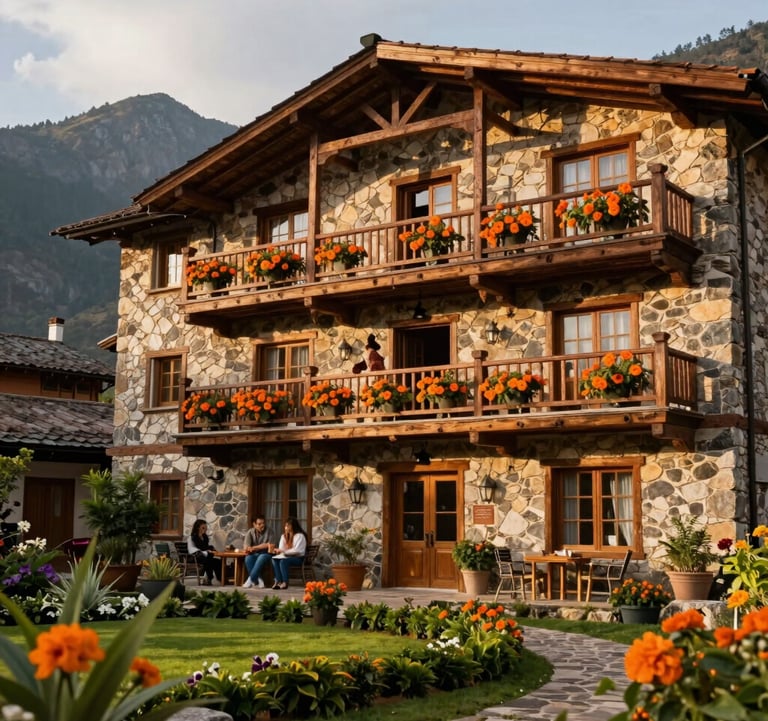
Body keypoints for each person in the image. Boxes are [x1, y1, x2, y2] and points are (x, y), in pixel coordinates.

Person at [269, 517, 307, 589]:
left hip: (298, 558)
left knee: (283, 561)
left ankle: (285, 582)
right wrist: (278, 550)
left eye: (288, 525)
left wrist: (284, 551)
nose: (286, 527)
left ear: (293, 526)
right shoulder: (284, 536)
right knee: (274, 559)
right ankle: (278, 581)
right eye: (285, 525)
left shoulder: (300, 536)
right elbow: (281, 549)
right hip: (287, 556)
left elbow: (297, 550)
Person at [242, 515, 274, 589]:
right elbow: (246, 546)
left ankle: (250, 579)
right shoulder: (250, 532)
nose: (262, 525)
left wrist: (254, 548)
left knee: (261, 557)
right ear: (254, 524)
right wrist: (248, 548)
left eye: (263, 523)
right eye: (259, 524)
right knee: (248, 558)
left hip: (267, 553)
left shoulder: (269, 531)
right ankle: (259, 580)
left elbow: (269, 545)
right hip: (254, 553)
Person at [188, 519, 221, 585]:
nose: (205, 529)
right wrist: (207, 550)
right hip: (196, 556)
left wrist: (211, 548)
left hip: (205, 556)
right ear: (198, 527)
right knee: (208, 560)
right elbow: (200, 547)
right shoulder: (194, 537)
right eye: (203, 528)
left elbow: (205, 546)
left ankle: (220, 578)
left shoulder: (205, 537)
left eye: (205, 528)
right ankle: (209, 578)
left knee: (217, 561)